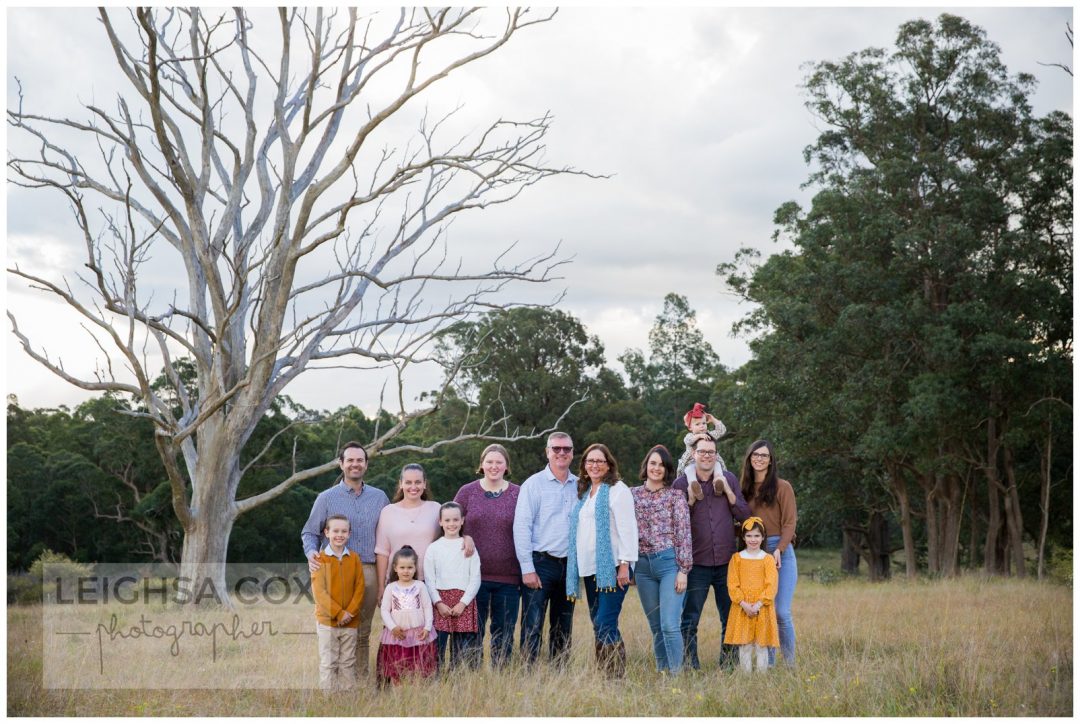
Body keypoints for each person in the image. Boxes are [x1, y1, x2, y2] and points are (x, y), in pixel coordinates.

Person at [302, 441, 388, 678]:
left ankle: (358, 681)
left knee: (361, 630)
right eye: (349, 460)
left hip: (368, 569)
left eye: (359, 460)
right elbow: (310, 532)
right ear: (341, 464)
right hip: (333, 569)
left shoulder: (379, 497)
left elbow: (389, 533)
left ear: (366, 465)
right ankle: (332, 681)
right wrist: (311, 553)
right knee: (334, 625)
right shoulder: (326, 498)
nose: (355, 464)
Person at [673, 434, 751, 670]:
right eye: (702, 451)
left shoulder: (728, 478)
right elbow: (676, 523)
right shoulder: (681, 484)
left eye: (711, 452)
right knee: (690, 619)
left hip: (727, 562)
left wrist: (728, 491)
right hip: (695, 563)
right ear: (693, 455)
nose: (706, 455)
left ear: (716, 455)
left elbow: (745, 516)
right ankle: (689, 665)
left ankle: (728, 665)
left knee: (730, 617)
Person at [566, 443, 638, 677]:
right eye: (590, 461)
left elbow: (628, 529)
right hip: (589, 570)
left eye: (600, 461)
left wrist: (625, 565)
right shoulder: (585, 494)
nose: (594, 465)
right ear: (584, 467)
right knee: (598, 622)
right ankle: (605, 673)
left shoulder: (618, 490)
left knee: (606, 621)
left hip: (614, 568)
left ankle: (615, 677)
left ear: (609, 465)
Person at [513, 431, 579, 666]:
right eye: (556, 448)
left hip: (570, 565)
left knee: (564, 623)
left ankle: (559, 673)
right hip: (540, 563)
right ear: (547, 452)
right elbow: (521, 526)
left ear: (572, 453)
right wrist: (527, 568)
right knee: (532, 623)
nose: (562, 453)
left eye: (567, 449)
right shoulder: (533, 484)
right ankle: (527, 672)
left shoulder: (579, 485)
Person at [453, 443, 521, 669]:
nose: (494, 466)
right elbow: (450, 524)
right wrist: (464, 536)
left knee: (504, 634)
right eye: (489, 462)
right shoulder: (467, 492)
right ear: (481, 465)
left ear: (506, 466)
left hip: (509, 579)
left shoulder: (518, 494)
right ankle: (472, 681)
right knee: (473, 632)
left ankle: (500, 680)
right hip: (473, 578)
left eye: (499, 462)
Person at [631, 445, 692, 674]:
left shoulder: (675, 496)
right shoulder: (631, 494)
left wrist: (683, 570)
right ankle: (662, 672)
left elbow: (684, 533)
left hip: (669, 564)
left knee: (669, 624)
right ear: (646, 465)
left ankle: (676, 675)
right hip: (643, 567)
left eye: (662, 465)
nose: (656, 468)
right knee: (656, 626)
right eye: (653, 463)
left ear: (667, 470)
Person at [374, 463, 475, 600]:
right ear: (401, 484)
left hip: (431, 582)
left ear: (424, 484)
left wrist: (466, 538)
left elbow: (451, 535)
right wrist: (381, 587)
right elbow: (382, 552)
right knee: (399, 622)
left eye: (418, 482)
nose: (413, 487)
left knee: (428, 621)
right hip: (398, 581)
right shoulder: (388, 512)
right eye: (408, 482)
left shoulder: (435, 509)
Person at [739, 439, 798, 666]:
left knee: (781, 611)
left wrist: (779, 550)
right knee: (766, 610)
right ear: (749, 458)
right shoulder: (744, 489)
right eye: (755, 454)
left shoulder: (783, 487)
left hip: (780, 550)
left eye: (764, 455)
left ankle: (790, 663)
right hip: (754, 551)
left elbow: (790, 524)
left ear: (771, 460)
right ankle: (768, 664)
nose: (759, 459)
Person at [424, 502, 481, 671]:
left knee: (461, 649)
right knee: (438, 647)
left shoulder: (468, 547)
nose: (452, 524)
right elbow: (429, 578)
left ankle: (456, 679)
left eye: (455, 519)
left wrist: (463, 603)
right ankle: (437, 678)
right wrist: (438, 603)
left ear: (462, 520)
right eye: (447, 520)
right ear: (440, 522)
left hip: (463, 601)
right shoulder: (434, 548)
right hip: (441, 601)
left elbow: (475, 577)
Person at [311, 514, 366, 690]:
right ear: (327, 532)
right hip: (327, 621)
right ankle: (328, 699)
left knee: (348, 661)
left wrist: (349, 612)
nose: (339, 535)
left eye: (344, 531)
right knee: (329, 661)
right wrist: (339, 613)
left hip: (351, 621)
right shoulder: (320, 559)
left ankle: (347, 697)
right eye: (335, 531)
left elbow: (360, 587)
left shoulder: (355, 558)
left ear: (349, 534)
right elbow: (320, 592)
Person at [724, 517, 779, 673]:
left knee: (762, 646)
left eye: (756, 536)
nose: (753, 539)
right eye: (749, 536)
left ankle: (761, 679)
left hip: (762, 607)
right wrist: (744, 604)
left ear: (762, 537)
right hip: (743, 608)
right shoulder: (737, 559)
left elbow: (771, 585)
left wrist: (759, 604)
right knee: (745, 645)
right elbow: (733, 584)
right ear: (743, 537)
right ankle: (746, 678)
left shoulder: (767, 559)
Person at [376, 546, 436, 685]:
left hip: (418, 633)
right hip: (398, 634)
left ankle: (415, 692)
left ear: (415, 568)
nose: (406, 571)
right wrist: (392, 627)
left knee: (418, 666)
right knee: (398, 666)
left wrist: (427, 627)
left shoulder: (420, 586)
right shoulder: (391, 587)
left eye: (410, 567)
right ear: (395, 568)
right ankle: (399, 693)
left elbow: (427, 607)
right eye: (402, 567)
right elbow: (385, 610)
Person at [677, 403, 729, 507]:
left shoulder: (709, 434)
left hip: (710, 461)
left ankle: (718, 481)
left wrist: (713, 419)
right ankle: (694, 485)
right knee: (689, 470)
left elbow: (722, 430)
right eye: (697, 424)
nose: (702, 426)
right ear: (690, 427)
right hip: (691, 462)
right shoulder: (690, 436)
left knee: (717, 465)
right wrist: (700, 436)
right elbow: (688, 440)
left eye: (704, 423)